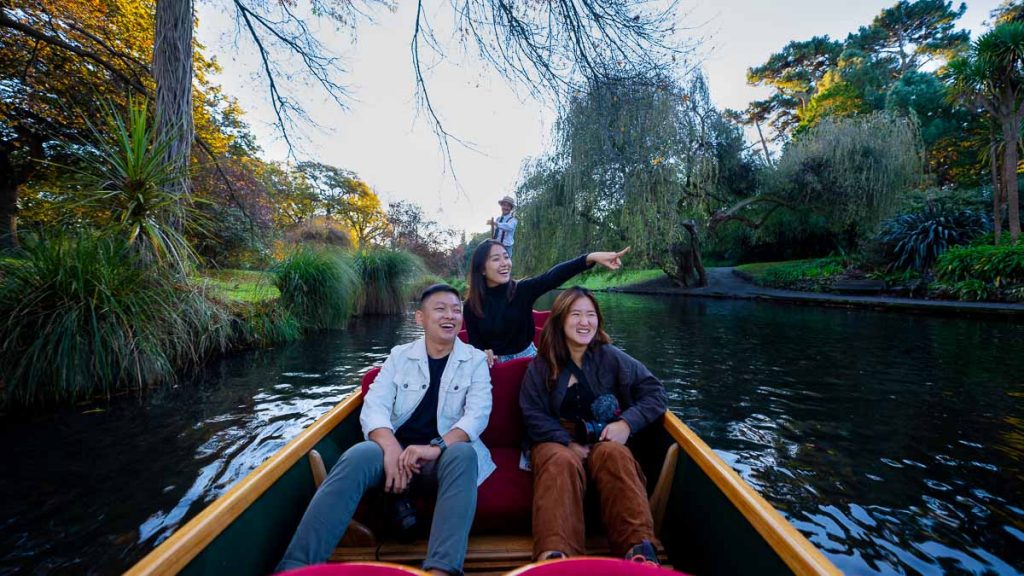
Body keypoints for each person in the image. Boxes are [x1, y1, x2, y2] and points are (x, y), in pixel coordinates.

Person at [276, 284, 494, 576]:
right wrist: (391, 448)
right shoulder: (399, 356)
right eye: (440, 308)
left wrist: (436, 447)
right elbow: (374, 406)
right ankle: (295, 568)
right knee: (359, 454)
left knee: (465, 454)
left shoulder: (475, 360)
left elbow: (477, 415)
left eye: (456, 310)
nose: (450, 315)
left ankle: (443, 569)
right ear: (420, 318)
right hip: (393, 455)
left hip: (440, 458)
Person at [519, 287, 667, 564]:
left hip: (603, 438)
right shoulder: (541, 365)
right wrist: (567, 443)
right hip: (555, 439)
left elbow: (655, 392)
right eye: (576, 314)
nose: (584, 322)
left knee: (616, 454)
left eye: (590, 315)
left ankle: (638, 550)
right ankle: (557, 557)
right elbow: (532, 414)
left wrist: (626, 423)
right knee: (559, 461)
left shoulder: (611, 357)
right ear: (561, 319)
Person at [464, 239, 630, 367]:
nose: (504, 263)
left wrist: (590, 257)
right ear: (482, 269)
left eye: (506, 257)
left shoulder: (522, 290)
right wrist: (482, 353)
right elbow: (475, 345)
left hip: (529, 360)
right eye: (495, 259)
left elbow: (551, 277)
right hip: (493, 365)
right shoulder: (471, 305)